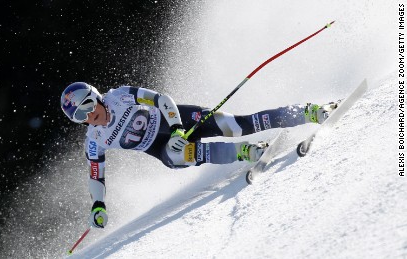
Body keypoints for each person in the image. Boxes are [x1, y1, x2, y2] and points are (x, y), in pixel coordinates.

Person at [60, 82, 336, 229]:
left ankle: (309, 111)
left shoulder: (120, 96)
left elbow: (162, 100)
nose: (88, 118)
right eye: (79, 118)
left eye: (87, 108)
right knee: (175, 158)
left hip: (179, 120)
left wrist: (179, 128)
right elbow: (96, 173)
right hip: (165, 147)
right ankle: (246, 152)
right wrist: (98, 204)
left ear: (95, 97)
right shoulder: (95, 139)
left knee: (238, 125)